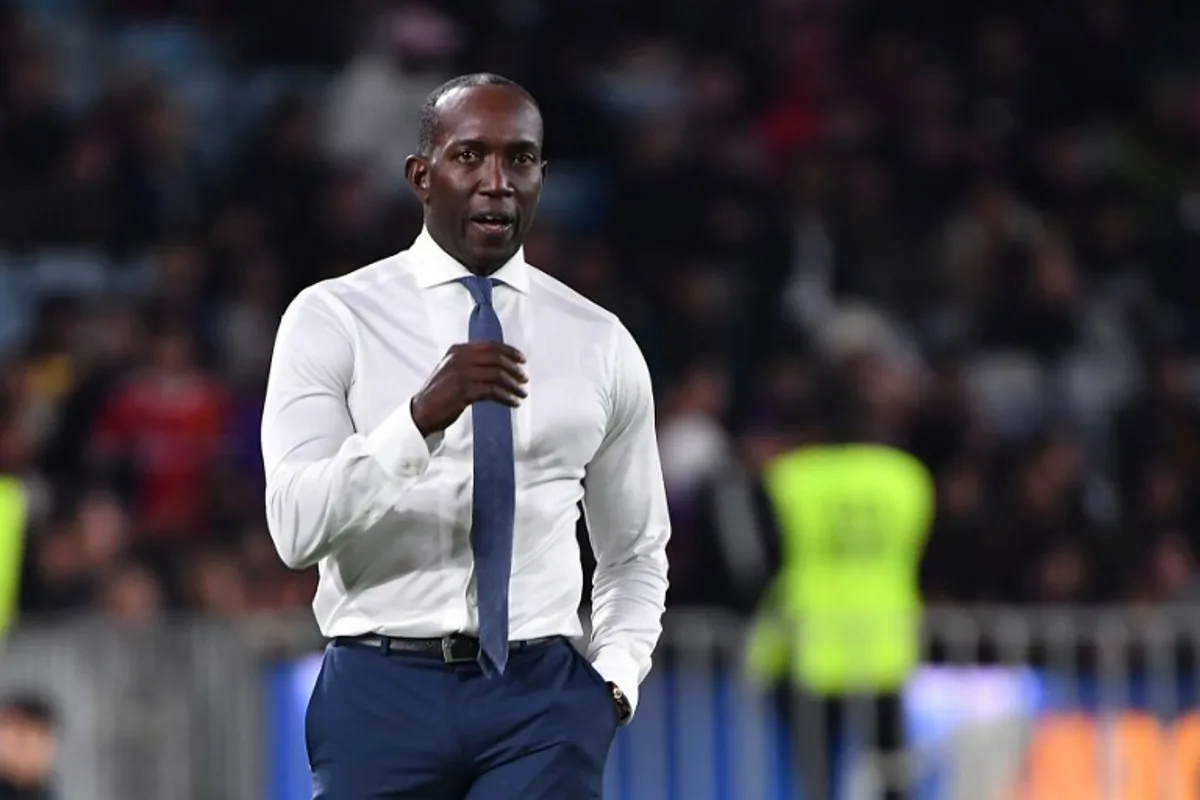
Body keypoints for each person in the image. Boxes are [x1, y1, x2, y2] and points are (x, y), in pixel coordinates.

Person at [260, 73, 670, 799]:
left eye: (520, 160)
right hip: (381, 688)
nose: (496, 182)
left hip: (541, 699)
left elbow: (635, 548)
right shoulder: (332, 319)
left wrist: (612, 684)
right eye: (470, 156)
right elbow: (296, 529)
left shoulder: (598, 340)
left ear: (542, 175)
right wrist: (419, 418)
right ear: (422, 174)